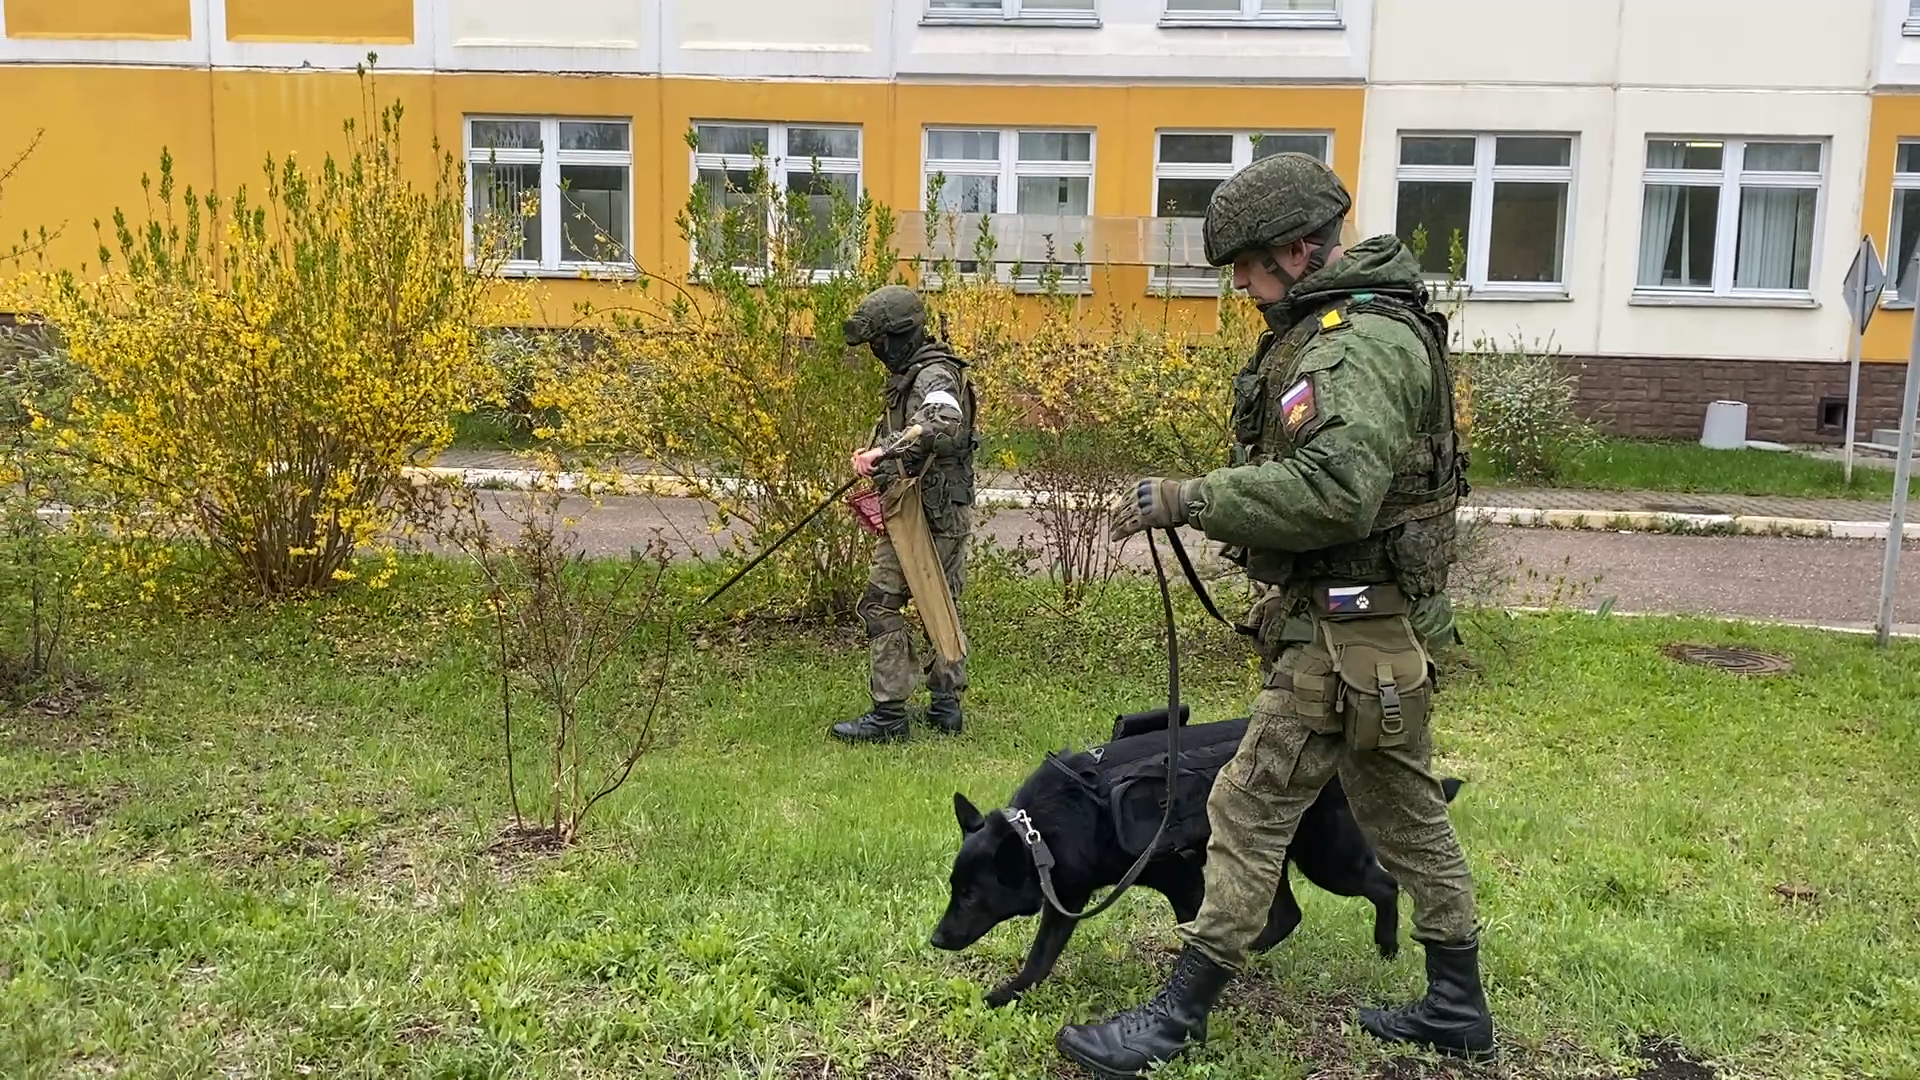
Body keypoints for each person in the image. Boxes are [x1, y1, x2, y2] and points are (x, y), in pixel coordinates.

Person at [1055, 153, 1492, 1077]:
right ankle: (1458, 1001)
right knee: (1406, 810)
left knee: (1245, 806)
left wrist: (1192, 497)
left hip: (1342, 635)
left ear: (1300, 249)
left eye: (1251, 269)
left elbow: (1336, 490)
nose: (1245, 290)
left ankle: (1176, 1019)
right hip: (1377, 628)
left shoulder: (1356, 345)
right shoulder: (1352, 327)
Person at [832, 284, 980, 744]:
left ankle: (890, 714)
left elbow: (943, 423)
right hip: (936, 508)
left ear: (900, 335)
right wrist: (881, 455)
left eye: (879, 342)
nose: (877, 352)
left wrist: (882, 452)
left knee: (880, 604)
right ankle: (945, 705)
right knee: (942, 606)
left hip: (924, 513)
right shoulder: (921, 371)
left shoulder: (933, 375)